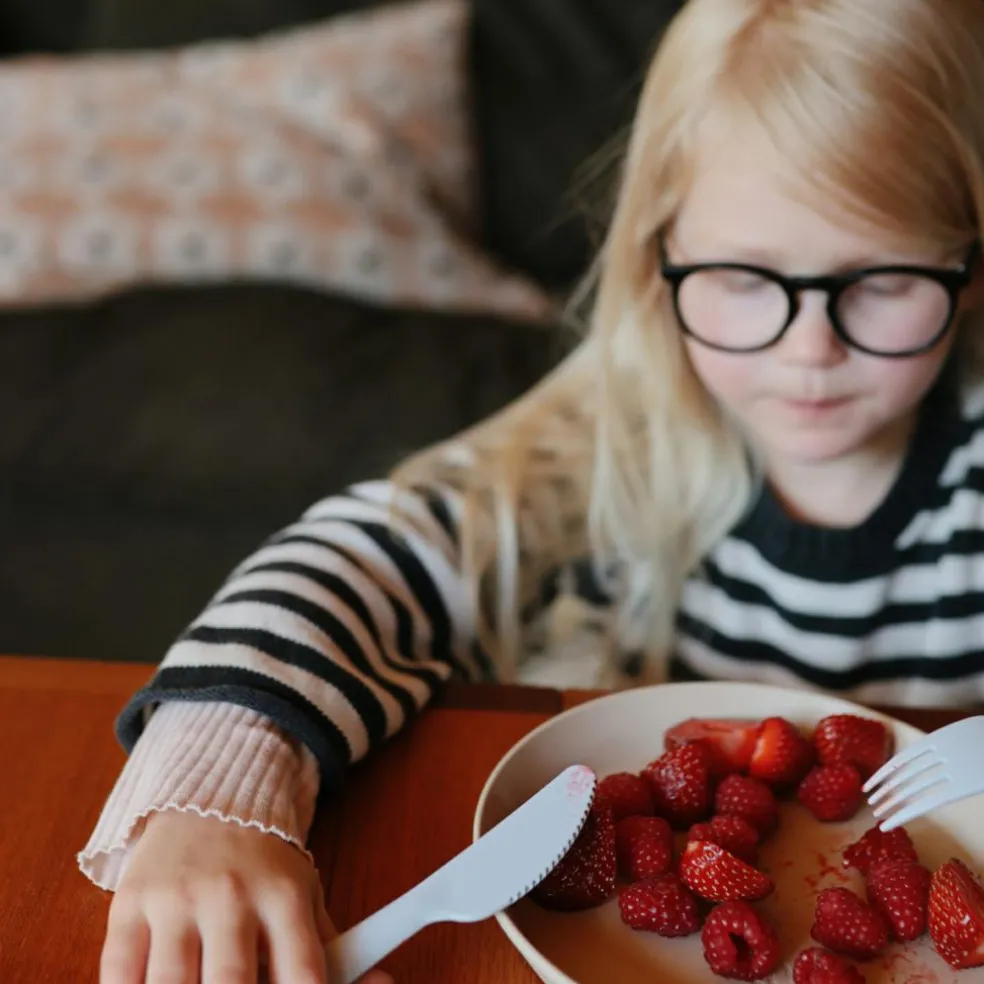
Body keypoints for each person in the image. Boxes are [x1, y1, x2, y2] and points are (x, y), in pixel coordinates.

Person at [82, 0, 984, 981]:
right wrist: (214, 792)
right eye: (742, 277)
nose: (809, 349)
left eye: (882, 280)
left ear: (969, 264)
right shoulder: (612, 444)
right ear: (658, 257)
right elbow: (366, 555)